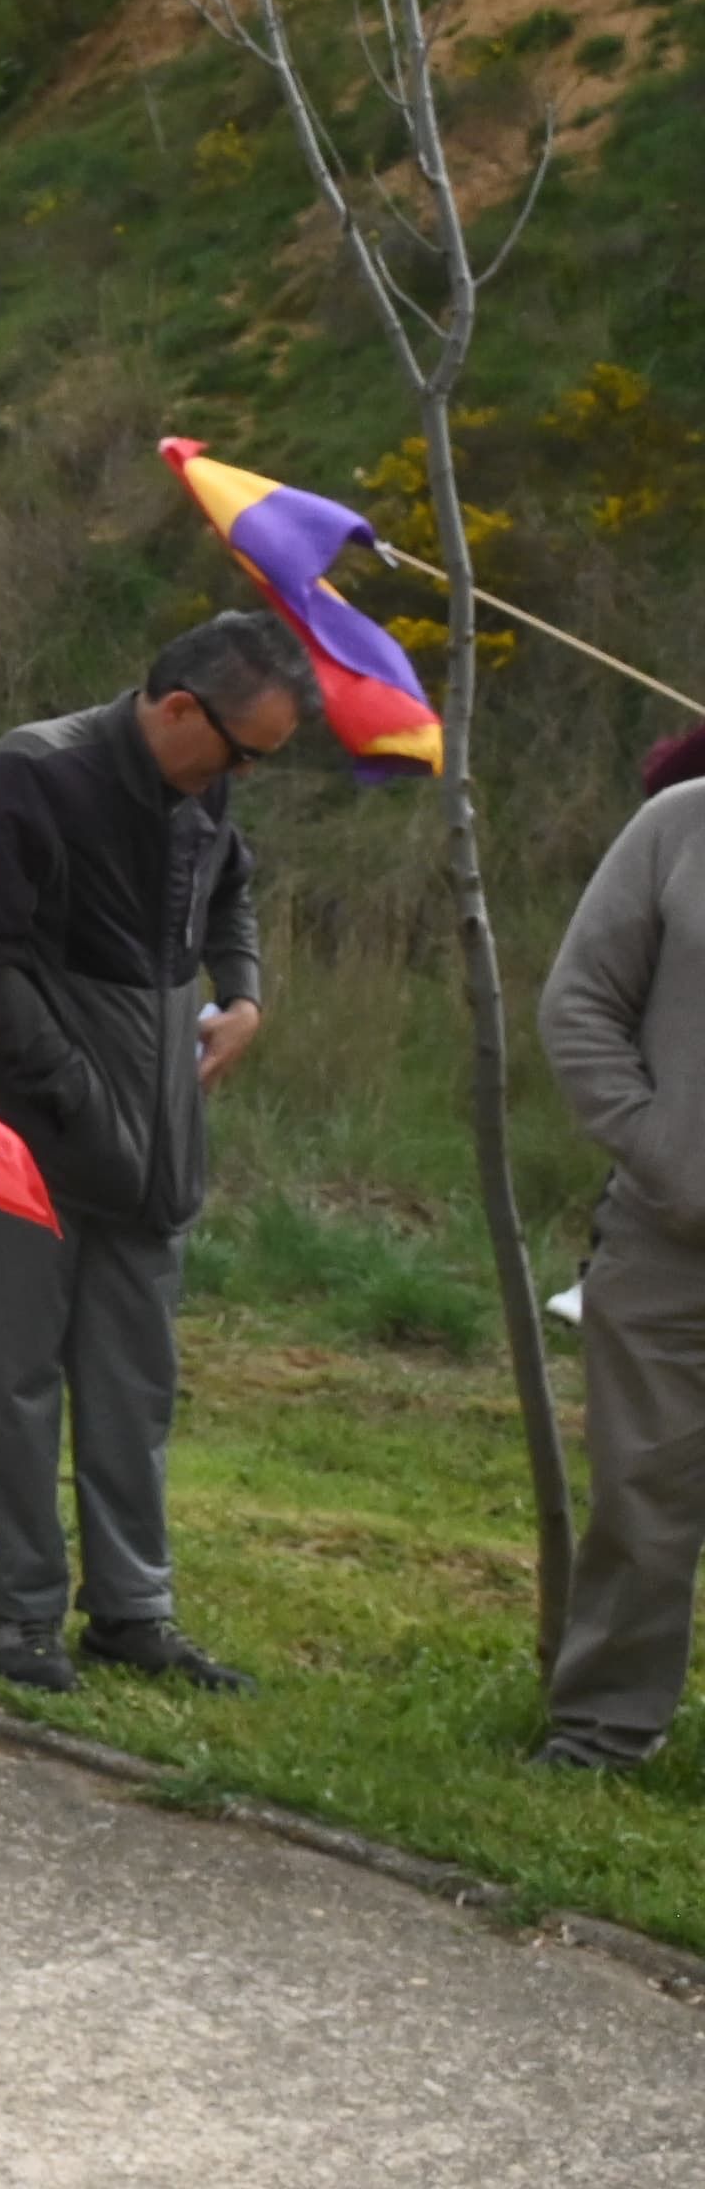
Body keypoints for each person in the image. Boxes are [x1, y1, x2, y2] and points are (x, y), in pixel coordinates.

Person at [0, 610, 309, 1700]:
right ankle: (23, 1622)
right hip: (23, 1145)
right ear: (181, 709)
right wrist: (85, 1104)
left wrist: (241, 990)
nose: (243, 776)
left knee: (133, 1385)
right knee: (15, 1381)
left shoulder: (205, 791)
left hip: (156, 1148)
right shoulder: (31, 774)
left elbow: (229, 888)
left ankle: (133, 1615)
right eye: (244, 753)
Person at [534, 747, 705, 1769]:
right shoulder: (678, 827)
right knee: (641, 1497)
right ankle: (602, 1729)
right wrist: (665, 1160)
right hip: (663, 1238)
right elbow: (580, 1005)